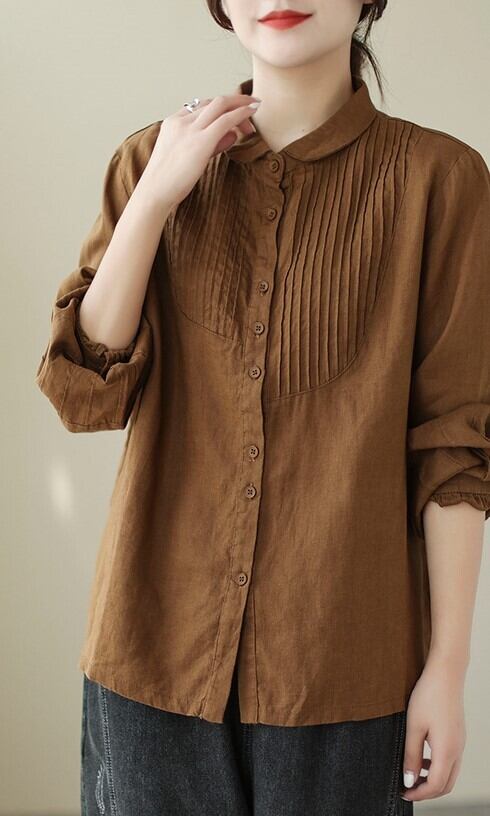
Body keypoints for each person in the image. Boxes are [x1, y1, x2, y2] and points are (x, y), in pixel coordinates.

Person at [35, 1, 490, 814]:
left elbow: (455, 449)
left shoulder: (442, 181)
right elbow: (85, 394)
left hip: (345, 678)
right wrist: (154, 199)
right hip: (149, 664)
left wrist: (445, 671)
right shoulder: (148, 162)